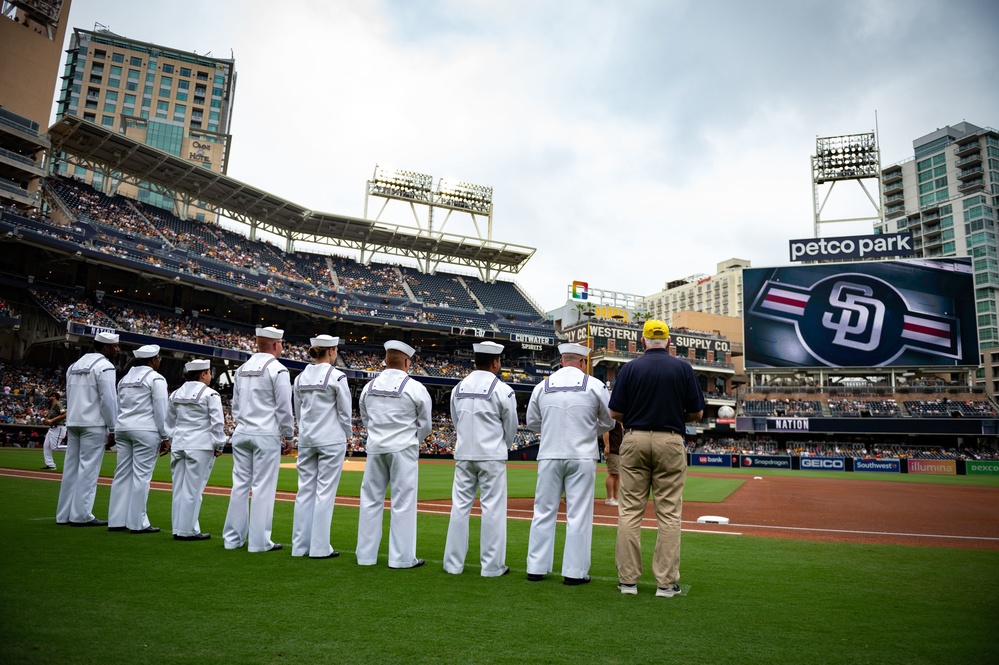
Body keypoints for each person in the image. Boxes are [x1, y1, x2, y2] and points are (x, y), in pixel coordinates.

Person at [608, 320, 704, 598]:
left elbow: (615, 413)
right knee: (669, 514)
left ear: (643, 342)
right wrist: (675, 414)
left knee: (629, 512)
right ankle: (665, 583)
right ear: (669, 342)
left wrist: (637, 417)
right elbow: (697, 413)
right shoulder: (683, 368)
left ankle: (628, 581)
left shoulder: (630, 368)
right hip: (671, 439)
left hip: (635, 437)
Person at [525, 342, 615, 585]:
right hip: (582, 455)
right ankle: (574, 573)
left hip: (549, 455)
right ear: (583, 363)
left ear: (562, 361)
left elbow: (532, 422)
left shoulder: (542, 385)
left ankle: (536, 568)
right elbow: (609, 422)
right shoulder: (595, 385)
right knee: (578, 514)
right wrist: (587, 429)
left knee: (543, 511)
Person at [443, 341, 518, 577]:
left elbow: (456, 422)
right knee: (493, 509)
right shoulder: (503, 390)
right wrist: (501, 447)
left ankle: (453, 564)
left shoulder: (458, 388)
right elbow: (511, 427)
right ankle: (492, 567)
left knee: (460, 507)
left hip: (464, 454)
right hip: (491, 456)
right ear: (495, 362)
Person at [356, 340, 432, 569]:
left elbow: (365, 417)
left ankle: (365, 557)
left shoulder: (369, 387)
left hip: (376, 448)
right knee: (403, 502)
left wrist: (377, 436)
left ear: (386, 360)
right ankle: (401, 558)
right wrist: (413, 441)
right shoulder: (415, 387)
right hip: (403, 449)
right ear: (407, 362)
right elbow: (426, 424)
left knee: (370, 500)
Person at [223, 326, 295, 553]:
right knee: (263, 487)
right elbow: (284, 407)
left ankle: (232, 539)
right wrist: (289, 435)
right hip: (265, 433)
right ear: (275, 344)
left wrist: (242, 423)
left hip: (242, 431)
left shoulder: (241, 368)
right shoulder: (278, 370)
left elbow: (235, 404)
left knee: (240, 486)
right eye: (281, 343)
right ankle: (259, 542)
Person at [292, 335, 352, 559]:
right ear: (332, 351)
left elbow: (297, 410)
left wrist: (303, 431)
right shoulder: (337, 376)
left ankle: (299, 547)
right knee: (325, 492)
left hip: (307, 438)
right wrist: (348, 434)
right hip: (330, 438)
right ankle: (319, 548)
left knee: (304, 491)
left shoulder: (300, 377)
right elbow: (345, 411)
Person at [56, 331, 120, 527]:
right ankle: (81, 515)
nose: (117, 349)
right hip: (94, 424)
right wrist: (113, 427)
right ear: (106, 347)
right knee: (88, 470)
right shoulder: (105, 366)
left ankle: (63, 514)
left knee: (71, 469)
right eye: (115, 346)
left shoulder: (74, 366)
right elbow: (108, 400)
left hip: (74, 422)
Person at [108, 344, 170, 534]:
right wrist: (166, 436)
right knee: (141, 476)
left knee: (122, 474)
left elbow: (118, 406)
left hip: (123, 428)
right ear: (153, 360)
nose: (159, 361)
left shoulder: (125, 379)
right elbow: (161, 410)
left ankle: (116, 520)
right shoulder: (156, 378)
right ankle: (137, 522)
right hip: (145, 430)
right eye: (158, 358)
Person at [167, 358, 226, 541]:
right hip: (200, 445)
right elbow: (217, 423)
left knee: (179, 488)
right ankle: (187, 531)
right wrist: (219, 444)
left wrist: (171, 439)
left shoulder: (175, 394)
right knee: (194, 490)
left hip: (179, 444)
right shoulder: (211, 394)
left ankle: (179, 528)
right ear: (203, 374)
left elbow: (169, 422)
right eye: (209, 373)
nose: (210, 376)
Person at [41, 391, 66, 471]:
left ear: (54, 396)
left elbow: (64, 414)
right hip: (52, 428)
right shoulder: (52, 406)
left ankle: (74, 448)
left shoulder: (58, 404)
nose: (48, 398)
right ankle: (50, 465)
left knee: (54, 447)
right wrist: (46, 420)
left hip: (59, 427)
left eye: (50, 396)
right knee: (46, 446)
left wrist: (51, 420)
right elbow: (51, 418)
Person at [603, 418, 623, 506]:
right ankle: (609, 498)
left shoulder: (619, 421)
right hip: (613, 450)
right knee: (612, 473)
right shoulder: (612, 420)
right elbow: (605, 431)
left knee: (617, 474)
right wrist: (607, 446)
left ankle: (615, 497)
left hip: (619, 450)